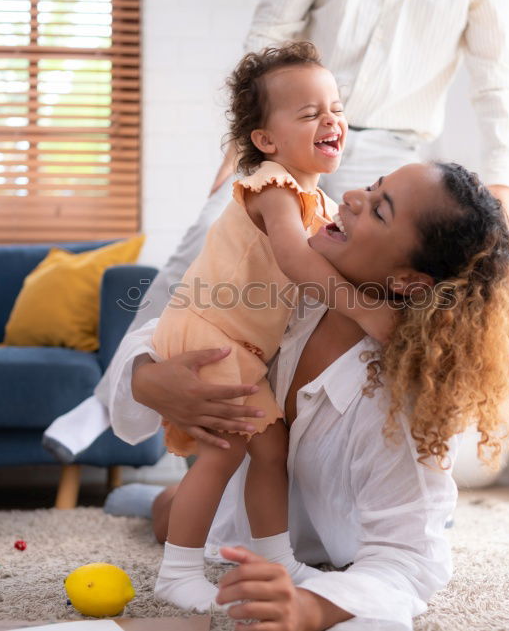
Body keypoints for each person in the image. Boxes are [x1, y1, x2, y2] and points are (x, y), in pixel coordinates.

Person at [42, 0, 509, 468]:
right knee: (211, 241)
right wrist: (241, 141)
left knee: (374, 295)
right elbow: (272, 30)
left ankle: (403, 455)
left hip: (390, 148)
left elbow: (498, 81)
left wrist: (504, 181)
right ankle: (119, 402)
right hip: (293, 128)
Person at [106, 161, 509, 628]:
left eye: (379, 210)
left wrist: (312, 606)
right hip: (235, 493)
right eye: (372, 186)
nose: (350, 196)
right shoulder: (295, 279)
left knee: (177, 511)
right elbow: (171, 325)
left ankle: (152, 499)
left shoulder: (397, 404)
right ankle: (150, 499)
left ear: (408, 280)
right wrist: (147, 378)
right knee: (169, 515)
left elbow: (409, 565)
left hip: (317, 541)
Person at [149, 42, 395, 612]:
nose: (331, 119)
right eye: (309, 114)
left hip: (238, 343)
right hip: (209, 333)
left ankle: (276, 558)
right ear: (265, 140)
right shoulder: (273, 184)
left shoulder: (317, 198)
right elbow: (293, 257)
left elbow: (338, 249)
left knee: (270, 451)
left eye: (335, 106)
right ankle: (178, 571)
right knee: (225, 453)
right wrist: (362, 307)